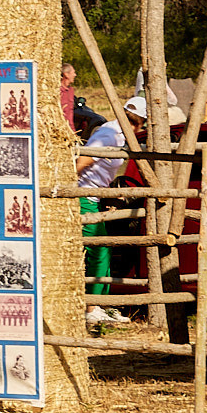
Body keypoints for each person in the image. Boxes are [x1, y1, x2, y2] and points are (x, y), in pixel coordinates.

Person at [76, 100, 131, 323]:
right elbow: (83, 161)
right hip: (85, 197)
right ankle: (91, 308)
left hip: (95, 196)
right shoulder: (109, 134)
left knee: (104, 250)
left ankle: (102, 304)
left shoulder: (120, 135)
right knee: (98, 250)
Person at [58, 63, 77, 131]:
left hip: (70, 130)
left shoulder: (71, 90)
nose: (75, 75)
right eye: (73, 72)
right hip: (60, 129)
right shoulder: (57, 91)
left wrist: (72, 130)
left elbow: (70, 113)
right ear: (66, 74)